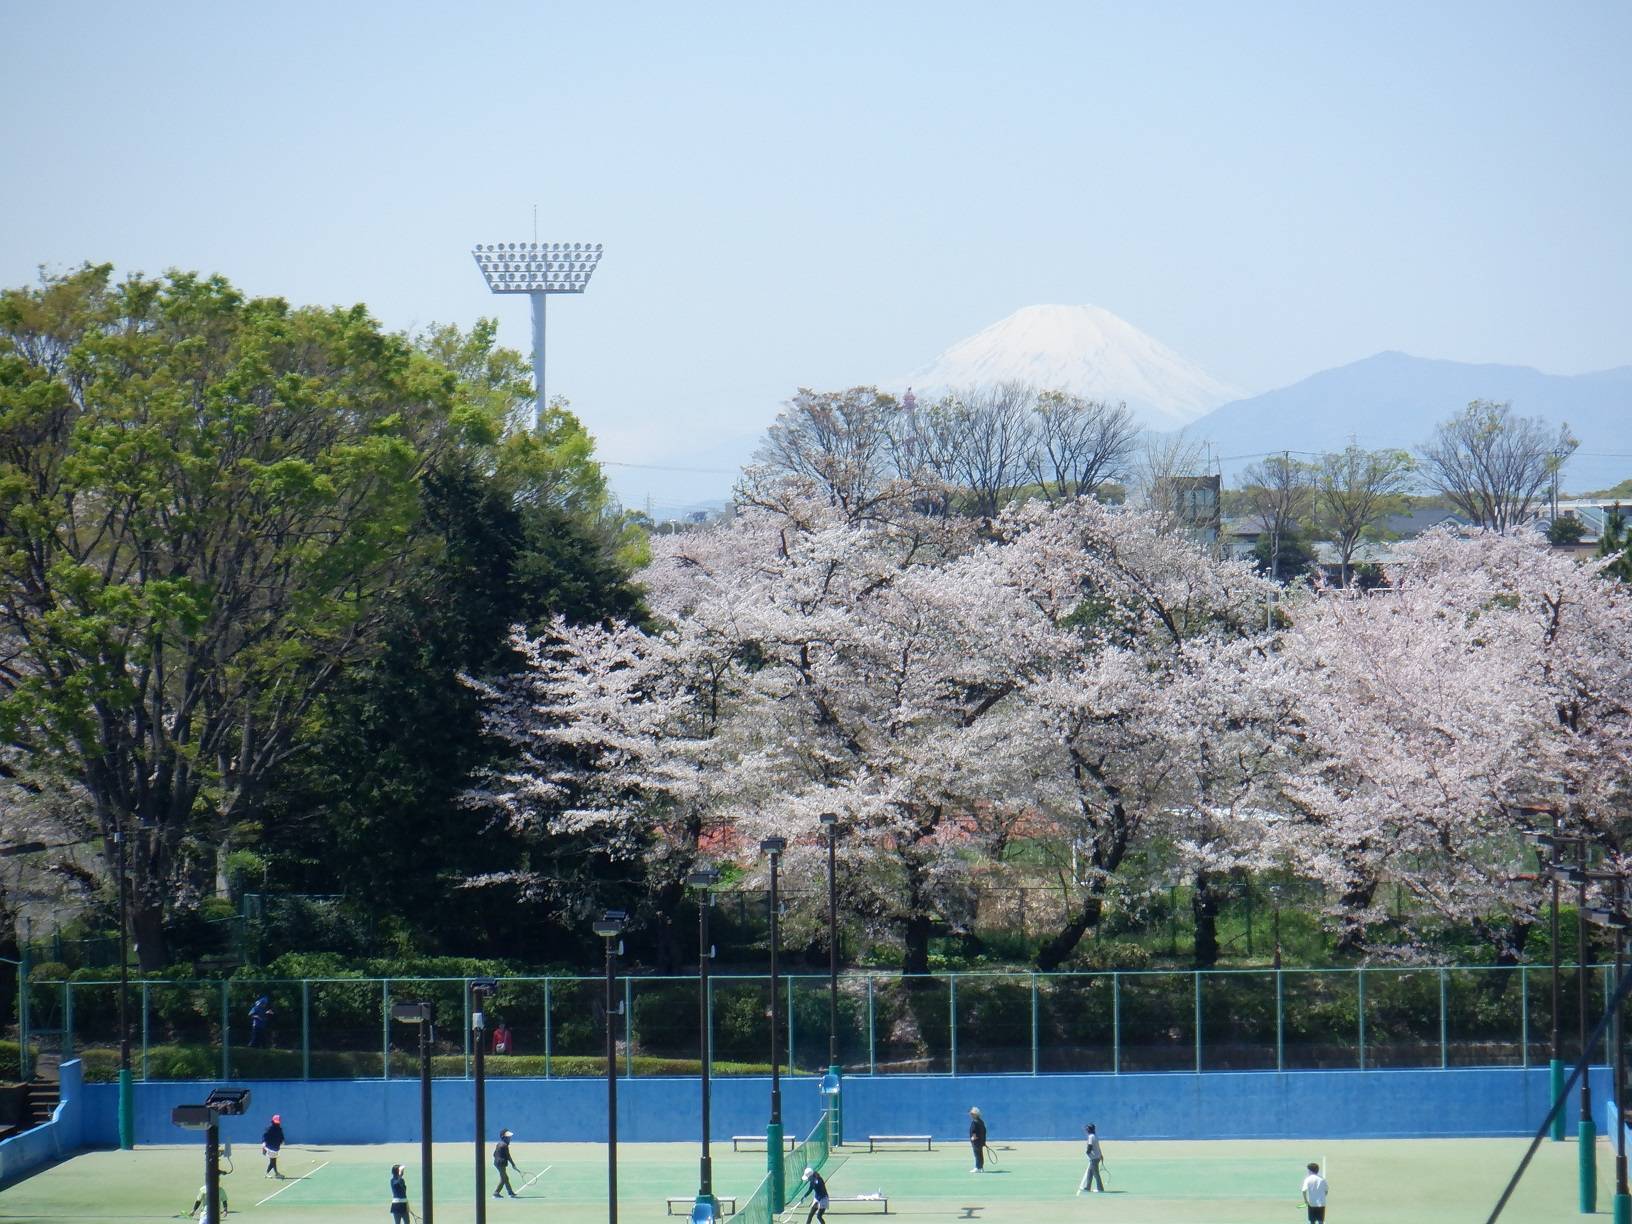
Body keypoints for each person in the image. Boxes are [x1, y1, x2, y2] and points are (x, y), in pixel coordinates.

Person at [493, 1128, 521, 1198]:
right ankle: (496, 1193)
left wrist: (497, 1159)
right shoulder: (504, 1145)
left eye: (509, 1137)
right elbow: (508, 1156)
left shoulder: (499, 1144)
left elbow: (494, 1154)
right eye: (508, 1137)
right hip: (500, 1164)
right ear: (503, 1137)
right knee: (504, 1178)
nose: (510, 1138)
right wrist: (513, 1165)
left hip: (498, 1163)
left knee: (505, 1178)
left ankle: (510, 1192)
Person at [1078, 1123, 1105, 1193]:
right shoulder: (1094, 1136)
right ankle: (1087, 1187)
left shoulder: (1090, 1137)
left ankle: (1100, 1188)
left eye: (1087, 1128)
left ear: (1089, 1129)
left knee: (1096, 1174)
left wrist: (1087, 1153)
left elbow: (1090, 1146)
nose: (1086, 1130)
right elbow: (1098, 1147)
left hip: (1094, 1158)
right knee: (1090, 1173)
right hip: (1096, 1157)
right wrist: (1101, 1155)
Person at [262, 1113, 285, 1179]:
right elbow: (264, 1136)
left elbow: (281, 1136)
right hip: (270, 1147)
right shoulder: (269, 1128)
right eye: (276, 1121)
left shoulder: (279, 1129)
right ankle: (267, 1173)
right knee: (272, 1161)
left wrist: (282, 1140)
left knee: (274, 1161)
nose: (277, 1123)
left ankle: (276, 1173)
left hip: (276, 1147)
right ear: (273, 1121)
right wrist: (263, 1143)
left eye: (278, 1121)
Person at [967, 1106, 987, 1172]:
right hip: (980, 1141)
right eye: (971, 1114)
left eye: (972, 1114)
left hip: (976, 1142)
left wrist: (973, 1138)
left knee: (977, 1155)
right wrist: (983, 1141)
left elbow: (974, 1132)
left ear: (976, 1115)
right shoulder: (981, 1122)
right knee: (980, 1154)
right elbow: (984, 1131)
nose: (971, 1115)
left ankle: (977, 1167)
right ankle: (981, 1167)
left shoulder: (974, 1122)